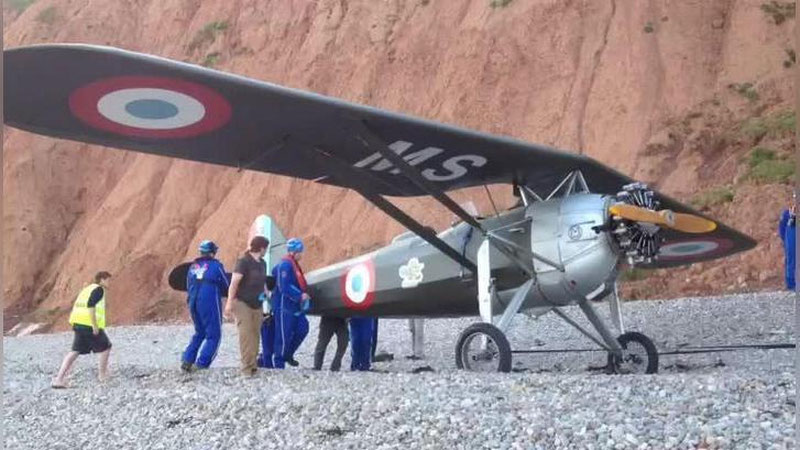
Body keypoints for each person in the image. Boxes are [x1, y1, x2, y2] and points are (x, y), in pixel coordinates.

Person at [52, 271, 113, 388]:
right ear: (102, 280)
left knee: (75, 351)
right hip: (88, 325)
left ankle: (58, 379)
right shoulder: (99, 290)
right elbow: (90, 305)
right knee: (106, 347)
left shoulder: (87, 289)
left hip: (78, 323)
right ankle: (102, 376)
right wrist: (94, 325)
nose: (110, 283)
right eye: (108, 280)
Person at [181, 240, 229, 372]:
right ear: (213, 253)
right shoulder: (216, 266)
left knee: (199, 331)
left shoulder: (192, 267)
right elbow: (226, 284)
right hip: (209, 301)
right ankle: (202, 364)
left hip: (193, 301)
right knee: (214, 335)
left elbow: (186, 285)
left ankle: (187, 359)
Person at [225, 236, 270, 376]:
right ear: (262, 247)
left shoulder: (263, 263)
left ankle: (253, 365)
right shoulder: (243, 262)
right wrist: (229, 303)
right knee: (246, 334)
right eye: (266, 248)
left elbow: (263, 282)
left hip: (258, 303)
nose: (266, 251)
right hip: (242, 302)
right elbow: (234, 283)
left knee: (256, 334)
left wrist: (267, 294)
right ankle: (246, 368)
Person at [271, 238, 310, 369]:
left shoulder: (292, 265)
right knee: (283, 334)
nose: (302, 254)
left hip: (294, 306)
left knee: (303, 328)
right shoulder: (286, 265)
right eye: (300, 251)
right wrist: (300, 295)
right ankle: (279, 362)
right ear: (294, 252)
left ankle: (288, 354)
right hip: (284, 306)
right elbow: (284, 286)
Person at [779, 202, 796, 291]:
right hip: (791, 238)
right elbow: (781, 229)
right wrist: (786, 241)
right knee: (791, 260)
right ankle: (791, 284)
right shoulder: (786, 214)